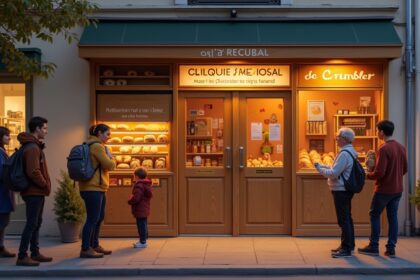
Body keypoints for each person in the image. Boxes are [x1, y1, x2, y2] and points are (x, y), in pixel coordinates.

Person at [358, 120, 407, 258]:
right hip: (398, 190)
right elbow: (405, 169)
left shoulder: (384, 148)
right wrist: (395, 177)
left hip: (384, 190)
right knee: (393, 218)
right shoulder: (401, 147)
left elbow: (379, 173)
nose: (377, 133)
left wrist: (367, 174)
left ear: (381, 132)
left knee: (374, 215)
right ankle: (391, 249)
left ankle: (373, 246)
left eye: (377, 130)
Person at [315, 127, 357, 258]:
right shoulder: (348, 152)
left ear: (345, 139)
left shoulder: (344, 154)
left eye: (338, 136)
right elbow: (336, 168)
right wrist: (322, 166)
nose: (336, 138)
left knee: (343, 219)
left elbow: (333, 173)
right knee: (346, 218)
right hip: (343, 190)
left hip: (341, 190)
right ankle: (347, 245)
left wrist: (319, 170)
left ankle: (347, 248)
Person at [16, 116, 52, 266]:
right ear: (37, 129)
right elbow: (33, 171)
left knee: (36, 223)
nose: (46, 131)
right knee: (32, 223)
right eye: (44, 128)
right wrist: (44, 184)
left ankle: (35, 253)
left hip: (36, 192)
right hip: (34, 192)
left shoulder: (34, 146)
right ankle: (22, 256)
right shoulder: (32, 147)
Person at [79, 124, 116, 258]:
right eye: (107, 134)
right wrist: (111, 156)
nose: (109, 137)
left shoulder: (91, 145)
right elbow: (109, 165)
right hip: (93, 188)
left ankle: (94, 245)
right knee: (92, 218)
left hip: (96, 188)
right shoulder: (97, 146)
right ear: (99, 133)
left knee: (99, 217)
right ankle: (85, 248)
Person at [128, 167, 153, 248]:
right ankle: (144, 239)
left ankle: (142, 242)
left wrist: (130, 200)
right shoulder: (146, 184)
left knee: (141, 225)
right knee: (144, 224)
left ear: (137, 176)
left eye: (134, 176)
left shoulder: (139, 185)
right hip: (144, 208)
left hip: (139, 209)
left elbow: (136, 198)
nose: (134, 178)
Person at [0, 126, 15, 258]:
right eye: (6, 135)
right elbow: (2, 173)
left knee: (3, 222)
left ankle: (1, 247)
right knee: (2, 221)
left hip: (4, 192)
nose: (9, 138)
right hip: (2, 193)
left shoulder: (2, 151)